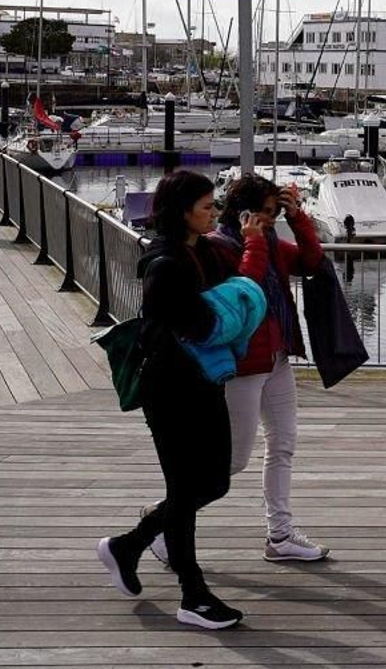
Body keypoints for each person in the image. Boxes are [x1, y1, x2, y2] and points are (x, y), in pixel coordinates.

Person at [96, 171, 271, 631]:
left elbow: (235, 295)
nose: (214, 213)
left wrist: (239, 286)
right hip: (169, 387)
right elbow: (200, 323)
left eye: (214, 205)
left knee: (213, 481)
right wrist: (233, 307)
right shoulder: (165, 263)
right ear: (181, 211)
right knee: (185, 487)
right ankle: (192, 594)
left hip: (204, 381)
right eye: (206, 207)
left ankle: (128, 546)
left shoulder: (204, 251)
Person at [211, 174, 330, 562]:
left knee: (283, 444)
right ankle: (164, 523)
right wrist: (255, 242)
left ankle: (280, 536)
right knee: (232, 458)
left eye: (274, 213)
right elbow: (247, 289)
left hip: (276, 355)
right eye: (264, 213)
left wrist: (298, 219)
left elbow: (312, 261)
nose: (269, 220)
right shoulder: (218, 246)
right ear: (241, 211)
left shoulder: (272, 241)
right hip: (244, 362)